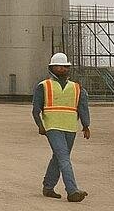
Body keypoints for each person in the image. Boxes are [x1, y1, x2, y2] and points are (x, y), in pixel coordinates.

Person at [33, 52, 91, 202]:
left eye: (65, 66)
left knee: (59, 157)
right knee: (64, 158)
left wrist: (86, 125)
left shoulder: (77, 87)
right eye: (59, 66)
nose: (62, 69)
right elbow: (35, 109)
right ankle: (72, 191)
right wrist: (40, 125)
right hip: (52, 127)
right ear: (51, 67)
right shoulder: (43, 86)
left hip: (71, 128)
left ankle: (48, 187)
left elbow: (82, 107)